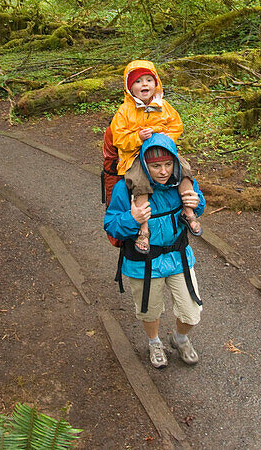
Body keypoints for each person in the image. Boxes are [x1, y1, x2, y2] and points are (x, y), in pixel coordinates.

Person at [104, 134, 206, 369]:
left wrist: (196, 202)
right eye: (156, 166)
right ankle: (154, 342)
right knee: (149, 312)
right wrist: (133, 218)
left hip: (178, 257)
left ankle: (179, 338)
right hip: (144, 262)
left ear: (175, 163)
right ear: (144, 164)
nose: (163, 171)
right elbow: (111, 225)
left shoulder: (181, 182)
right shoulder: (126, 188)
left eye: (168, 164)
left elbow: (197, 205)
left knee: (191, 311)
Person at [109, 60, 201, 254]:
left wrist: (165, 137)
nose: (144, 84)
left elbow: (177, 125)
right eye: (138, 81)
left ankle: (189, 211)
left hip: (161, 152)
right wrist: (137, 137)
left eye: (149, 80)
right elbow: (118, 138)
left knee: (183, 169)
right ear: (129, 87)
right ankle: (143, 228)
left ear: (156, 83)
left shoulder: (163, 106)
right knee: (139, 181)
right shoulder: (125, 111)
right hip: (135, 157)